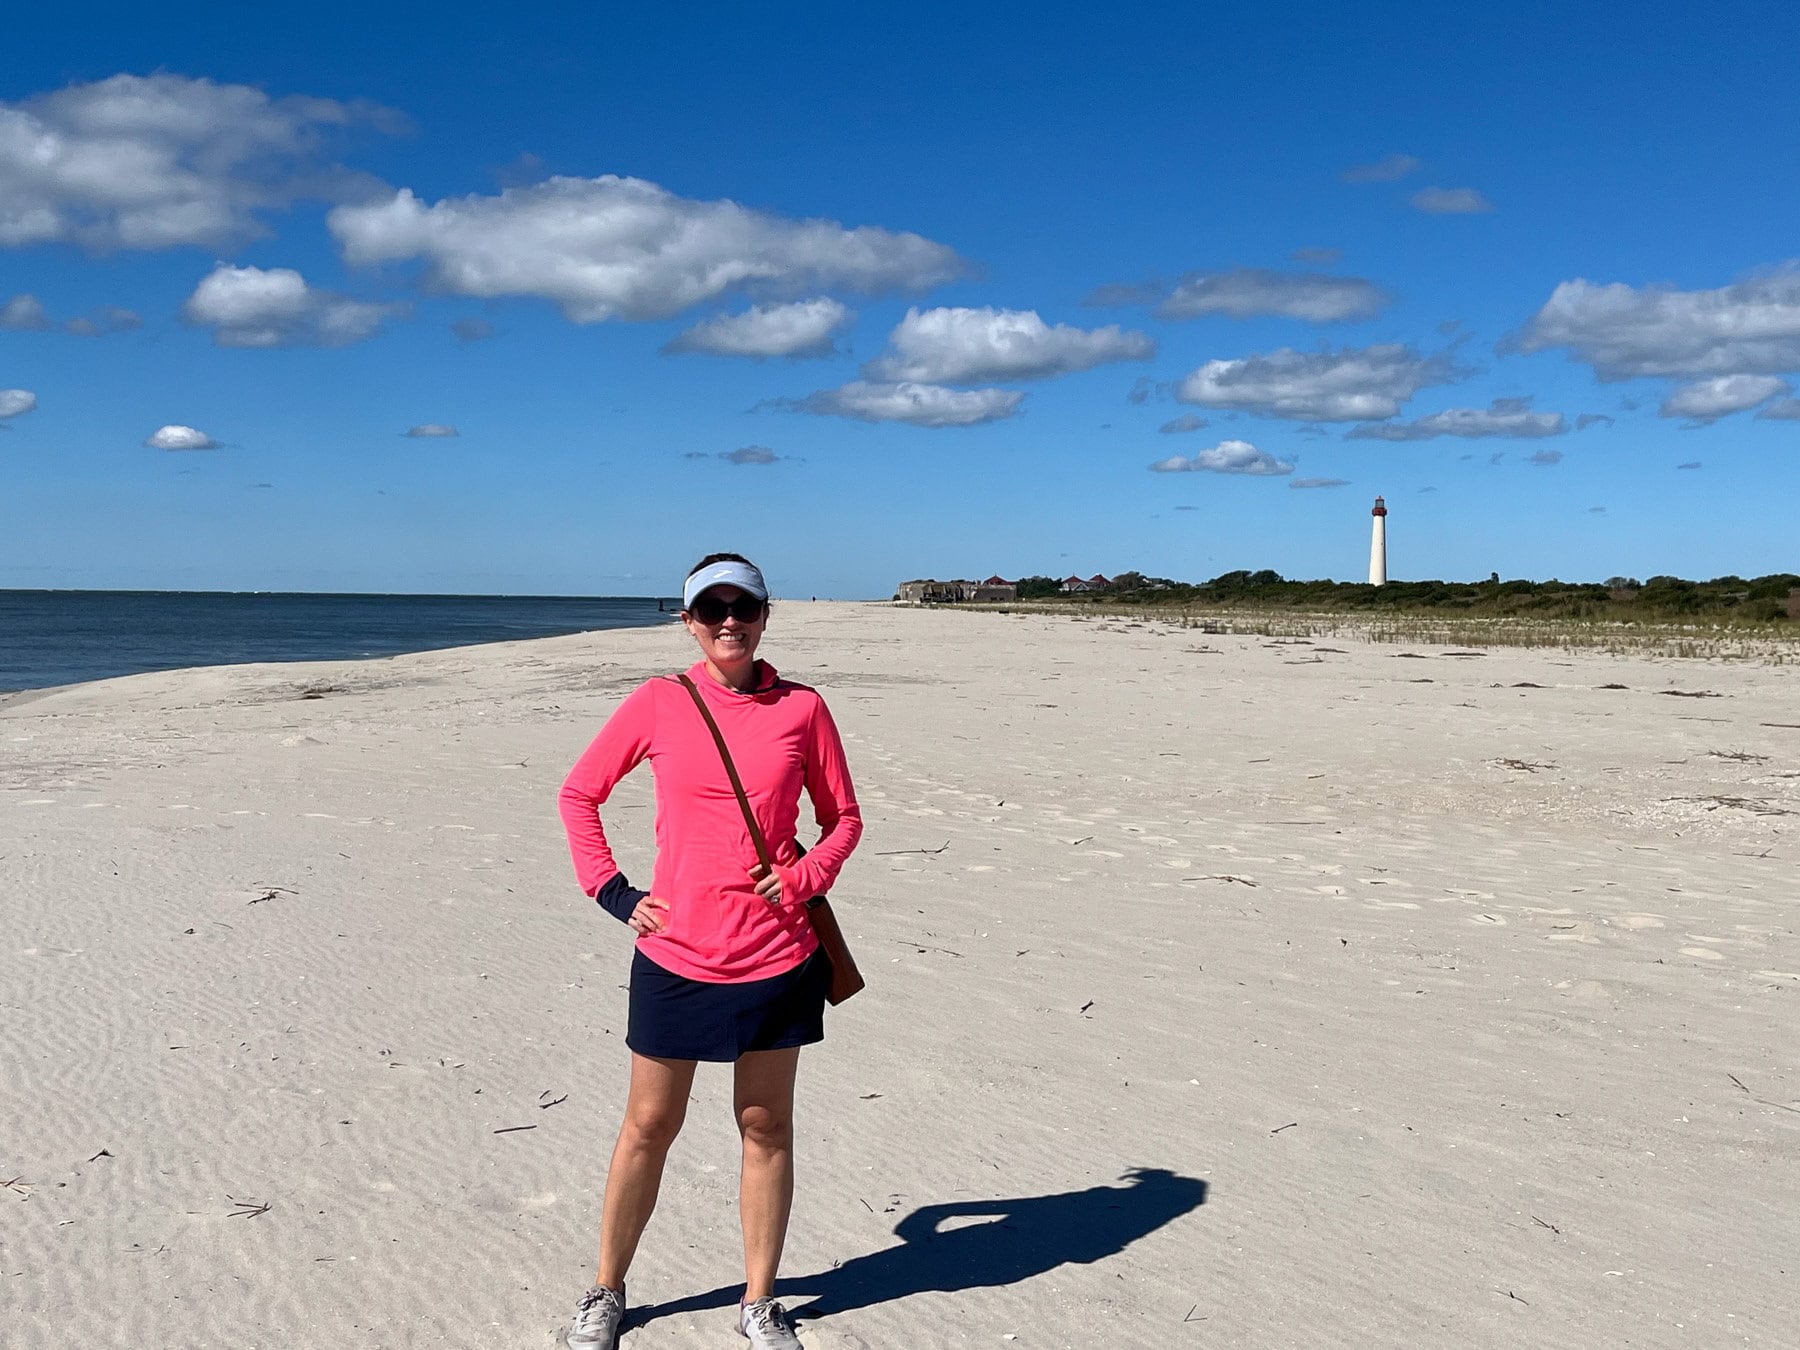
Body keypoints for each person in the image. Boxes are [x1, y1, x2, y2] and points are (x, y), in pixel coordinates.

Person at [555, 553, 863, 1350]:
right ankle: (607, 1290)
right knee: (648, 1125)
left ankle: (760, 1300)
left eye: (744, 608)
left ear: (765, 616)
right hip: (676, 954)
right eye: (711, 609)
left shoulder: (803, 708)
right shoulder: (660, 702)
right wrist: (614, 893)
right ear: (688, 622)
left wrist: (803, 879)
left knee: (764, 1125)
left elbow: (844, 819)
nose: (729, 621)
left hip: (778, 955)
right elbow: (579, 793)